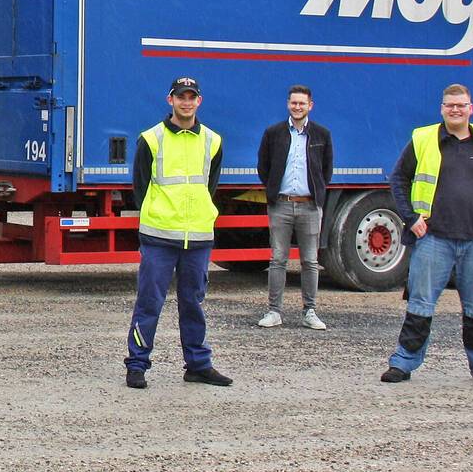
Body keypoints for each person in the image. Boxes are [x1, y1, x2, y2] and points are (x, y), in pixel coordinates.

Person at [380, 83, 473, 386]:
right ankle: (403, 364)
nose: (455, 110)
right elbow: (399, 180)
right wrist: (411, 218)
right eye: (449, 105)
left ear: (471, 108)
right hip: (434, 239)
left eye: (461, 105)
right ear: (442, 108)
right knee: (420, 305)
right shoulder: (424, 139)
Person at [123, 76, 233, 390]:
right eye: (180, 96)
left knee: (193, 303)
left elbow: (209, 187)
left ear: (199, 101)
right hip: (159, 236)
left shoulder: (213, 141)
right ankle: (137, 364)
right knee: (149, 303)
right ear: (170, 99)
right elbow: (140, 188)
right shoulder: (151, 138)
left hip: (197, 236)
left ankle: (198, 365)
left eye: (191, 97)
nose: (186, 102)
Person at [254, 84, 334, 329]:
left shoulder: (322, 135)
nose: (297, 107)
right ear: (288, 104)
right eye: (293, 103)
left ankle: (310, 311)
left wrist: (316, 193)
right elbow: (263, 167)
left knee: (310, 261)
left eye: (302, 103)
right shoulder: (273, 133)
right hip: (281, 205)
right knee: (277, 259)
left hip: (310, 207)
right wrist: (273, 191)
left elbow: (326, 170)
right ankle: (274, 312)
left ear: (310, 106)